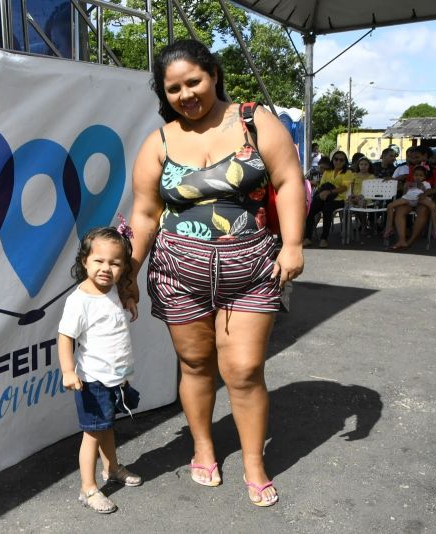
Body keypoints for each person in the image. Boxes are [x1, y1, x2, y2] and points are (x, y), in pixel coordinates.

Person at [126, 39, 305, 507]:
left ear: (213, 74)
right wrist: (129, 271)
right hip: (177, 272)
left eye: (193, 82)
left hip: (250, 268)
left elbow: (287, 181)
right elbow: (144, 215)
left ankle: (253, 461)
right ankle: (203, 446)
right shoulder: (159, 142)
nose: (186, 94)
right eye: (173, 89)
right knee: (195, 364)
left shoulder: (254, 121)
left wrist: (293, 245)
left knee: (244, 370)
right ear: (163, 95)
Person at [58, 225, 142, 514]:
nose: (106, 268)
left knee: (106, 428)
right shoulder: (79, 301)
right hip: (92, 381)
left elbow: (118, 301)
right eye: (99, 261)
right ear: (84, 261)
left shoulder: (114, 291)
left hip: (114, 379)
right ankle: (88, 488)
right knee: (92, 434)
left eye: (115, 263)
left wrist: (129, 299)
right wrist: (68, 371)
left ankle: (112, 468)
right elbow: (65, 337)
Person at [389, 146, 436, 250]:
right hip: (411, 197)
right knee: (400, 209)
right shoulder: (414, 168)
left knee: (423, 210)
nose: (412, 160)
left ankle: (410, 242)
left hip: (426, 199)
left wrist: (425, 194)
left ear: (425, 156)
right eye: (411, 157)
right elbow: (410, 183)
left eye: (416, 157)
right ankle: (402, 240)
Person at [303, 150, 353, 248]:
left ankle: (324, 238)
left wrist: (329, 192)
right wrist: (324, 193)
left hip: (339, 199)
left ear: (344, 161)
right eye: (336, 159)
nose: (338, 162)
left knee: (327, 209)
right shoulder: (328, 172)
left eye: (341, 160)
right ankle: (307, 237)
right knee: (310, 211)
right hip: (323, 197)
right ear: (333, 160)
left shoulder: (347, 172)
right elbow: (322, 185)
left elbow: (344, 187)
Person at [382, 165, 436, 241]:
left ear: (424, 177)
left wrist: (422, 188)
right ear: (413, 176)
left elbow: (427, 193)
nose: (418, 177)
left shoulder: (426, 183)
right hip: (408, 199)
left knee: (433, 206)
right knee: (390, 205)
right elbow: (404, 194)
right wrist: (406, 187)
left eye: (420, 175)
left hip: (419, 199)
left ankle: (435, 229)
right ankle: (389, 228)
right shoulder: (409, 183)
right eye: (416, 175)